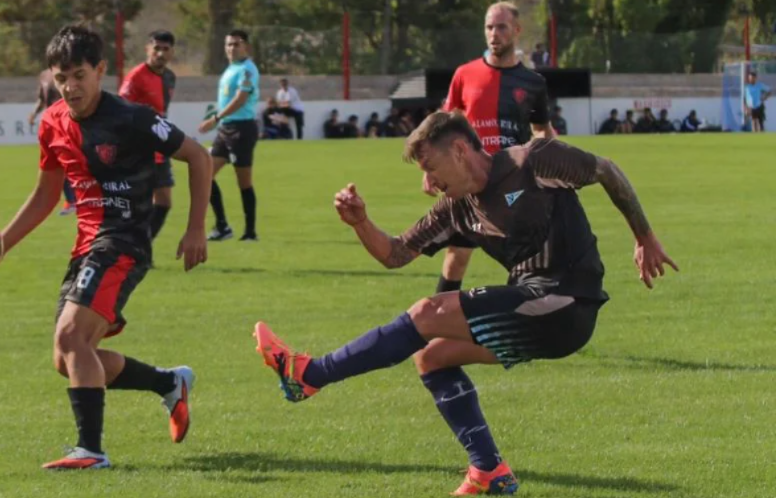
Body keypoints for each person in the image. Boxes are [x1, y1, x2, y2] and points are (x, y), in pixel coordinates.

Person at [254, 111, 678, 496]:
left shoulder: (533, 160)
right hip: (538, 310)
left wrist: (644, 237)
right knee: (432, 358)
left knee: (428, 312)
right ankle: (490, 470)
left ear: (459, 150)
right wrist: (361, 222)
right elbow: (395, 253)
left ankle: (310, 374)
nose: (429, 182)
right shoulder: (456, 209)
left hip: (567, 300)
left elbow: (606, 169)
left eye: (431, 169)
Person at [0, 25, 211, 470]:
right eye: (61, 78)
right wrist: (1, 244)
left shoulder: (131, 118)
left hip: (126, 241)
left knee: (71, 337)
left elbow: (198, 156)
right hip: (86, 246)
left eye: (79, 75)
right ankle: (168, 383)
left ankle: (90, 451)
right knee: (69, 358)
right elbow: (45, 195)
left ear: (99, 71)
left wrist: (195, 229)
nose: (71, 87)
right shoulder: (52, 122)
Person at [437, 1, 554, 307]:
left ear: (517, 30)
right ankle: (437, 323)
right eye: (489, 27)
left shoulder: (533, 82)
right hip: (470, 181)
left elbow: (542, 129)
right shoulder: (465, 74)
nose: (494, 34)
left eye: (501, 27)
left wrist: (557, 160)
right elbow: (445, 123)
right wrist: (431, 169)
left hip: (515, 183)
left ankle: (521, 324)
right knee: (457, 257)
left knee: (524, 260)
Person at [198, 29, 261, 242]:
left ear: (246, 47)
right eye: (228, 44)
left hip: (241, 130)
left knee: (243, 182)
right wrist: (216, 119)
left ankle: (250, 232)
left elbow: (240, 99)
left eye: (236, 44)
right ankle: (223, 226)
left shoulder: (247, 70)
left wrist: (214, 119)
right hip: (226, 129)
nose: (231, 48)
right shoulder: (230, 69)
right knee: (204, 174)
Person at [119, 30, 179, 243]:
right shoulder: (136, 76)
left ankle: (140, 246)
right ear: (148, 49)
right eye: (156, 49)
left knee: (163, 203)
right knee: (138, 204)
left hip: (160, 148)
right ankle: (125, 247)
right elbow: (121, 109)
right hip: (139, 149)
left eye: (165, 49)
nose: (160, 54)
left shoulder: (170, 77)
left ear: (172, 52)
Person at [30, 69, 78, 216]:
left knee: (64, 163)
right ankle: (73, 200)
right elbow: (42, 98)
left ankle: (73, 201)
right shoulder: (44, 75)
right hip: (52, 123)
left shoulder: (66, 72)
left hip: (65, 121)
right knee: (58, 164)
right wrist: (34, 113)